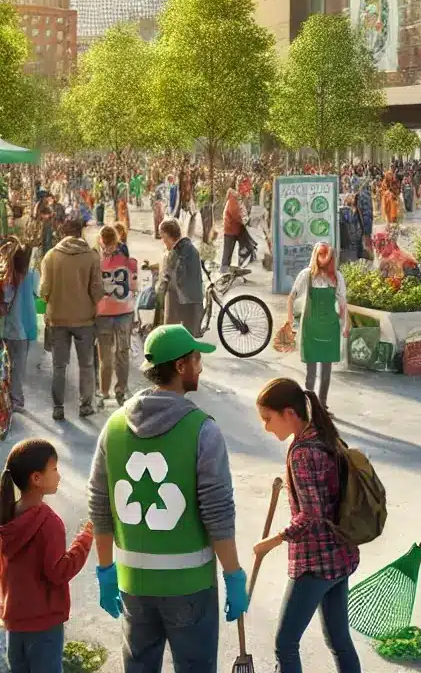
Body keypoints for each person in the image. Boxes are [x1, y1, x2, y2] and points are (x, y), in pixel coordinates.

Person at [87, 324, 248, 673]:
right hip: (189, 588)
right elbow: (217, 513)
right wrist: (233, 575)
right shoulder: (203, 430)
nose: (201, 366)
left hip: (133, 585)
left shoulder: (113, 427)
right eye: (196, 359)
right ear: (180, 366)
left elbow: (100, 504)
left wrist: (105, 570)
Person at [254, 378, 362, 673]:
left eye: (268, 419)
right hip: (342, 556)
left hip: (316, 563)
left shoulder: (302, 451)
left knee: (285, 644)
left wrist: (272, 541)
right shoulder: (323, 435)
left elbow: (311, 513)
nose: (266, 427)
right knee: (339, 640)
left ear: (289, 413)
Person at [0, 439, 94, 673]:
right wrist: (84, 540)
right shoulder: (49, 523)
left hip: (14, 621)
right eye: (53, 469)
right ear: (36, 478)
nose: (59, 476)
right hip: (44, 625)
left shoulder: (6, 517)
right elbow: (58, 572)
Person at [39, 218, 103, 422]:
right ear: (80, 233)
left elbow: (43, 291)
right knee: (86, 364)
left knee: (59, 365)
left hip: (58, 319)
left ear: (62, 232)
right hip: (85, 320)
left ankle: (58, 408)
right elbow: (97, 290)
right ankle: (85, 406)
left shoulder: (50, 257)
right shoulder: (92, 257)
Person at [285, 243, 346, 412]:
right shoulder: (307, 275)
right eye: (321, 256)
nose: (324, 261)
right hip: (310, 328)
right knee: (310, 373)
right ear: (316, 256)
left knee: (326, 373)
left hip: (330, 328)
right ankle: (309, 407)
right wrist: (290, 320)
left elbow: (342, 302)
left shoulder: (337, 277)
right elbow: (291, 297)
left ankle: (322, 406)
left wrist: (345, 323)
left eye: (327, 257)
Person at [96, 225, 138, 407]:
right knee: (122, 353)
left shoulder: (97, 263)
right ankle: (120, 390)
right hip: (124, 313)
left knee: (105, 356)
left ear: (101, 241)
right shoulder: (130, 261)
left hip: (103, 313)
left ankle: (104, 392)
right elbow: (134, 287)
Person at [1, 241, 37, 414]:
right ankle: (16, 400)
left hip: (6, 328)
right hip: (23, 329)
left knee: (6, 366)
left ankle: (7, 399)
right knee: (18, 368)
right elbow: (37, 293)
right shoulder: (31, 275)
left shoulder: (6, 278)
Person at [157, 219, 204, 339]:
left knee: (171, 340)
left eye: (163, 238)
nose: (163, 242)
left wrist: (158, 297)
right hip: (194, 304)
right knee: (189, 342)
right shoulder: (192, 249)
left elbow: (168, 280)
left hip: (178, 303)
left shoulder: (174, 254)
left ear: (168, 236)